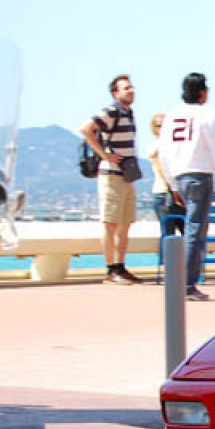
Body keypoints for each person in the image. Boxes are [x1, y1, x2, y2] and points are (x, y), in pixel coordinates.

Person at [158, 72, 215, 301]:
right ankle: (186, 284)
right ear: (203, 92)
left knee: (190, 229)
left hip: (179, 175)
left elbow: (163, 152)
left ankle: (182, 281)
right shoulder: (206, 115)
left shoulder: (172, 116)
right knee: (195, 230)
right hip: (200, 175)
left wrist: (173, 184)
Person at [79, 74, 143, 284]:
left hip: (126, 176)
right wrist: (104, 155)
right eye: (126, 88)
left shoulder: (128, 113)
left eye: (131, 87)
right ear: (116, 93)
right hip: (111, 175)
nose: (131, 91)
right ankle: (110, 268)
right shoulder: (111, 111)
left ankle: (120, 266)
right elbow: (86, 129)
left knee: (125, 223)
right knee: (111, 223)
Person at [146, 112, 184, 237]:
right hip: (163, 194)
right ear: (154, 129)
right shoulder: (154, 147)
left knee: (187, 234)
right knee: (168, 235)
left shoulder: (178, 146)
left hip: (180, 194)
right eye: (160, 126)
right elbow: (154, 155)